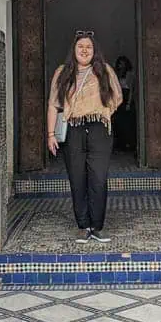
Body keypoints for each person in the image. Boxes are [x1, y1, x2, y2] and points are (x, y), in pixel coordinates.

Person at [47, 31, 123, 243]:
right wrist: (50, 134)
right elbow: (53, 104)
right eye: (80, 46)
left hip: (100, 130)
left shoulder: (105, 71)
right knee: (77, 179)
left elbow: (117, 97)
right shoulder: (62, 73)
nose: (84, 50)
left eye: (88, 47)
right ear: (74, 50)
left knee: (98, 179)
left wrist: (100, 111)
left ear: (94, 50)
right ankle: (83, 226)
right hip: (73, 130)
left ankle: (97, 227)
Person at [113, 55, 136, 153]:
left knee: (128, 123)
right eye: (119, 63)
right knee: (118, 122)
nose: (121, 65)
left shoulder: (130, 74)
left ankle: (129, 144)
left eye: (122, 63)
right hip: (119, 98)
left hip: (126, 97)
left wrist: (129, 103)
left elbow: (131, 89)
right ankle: (120, 144)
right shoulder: (117, 74)